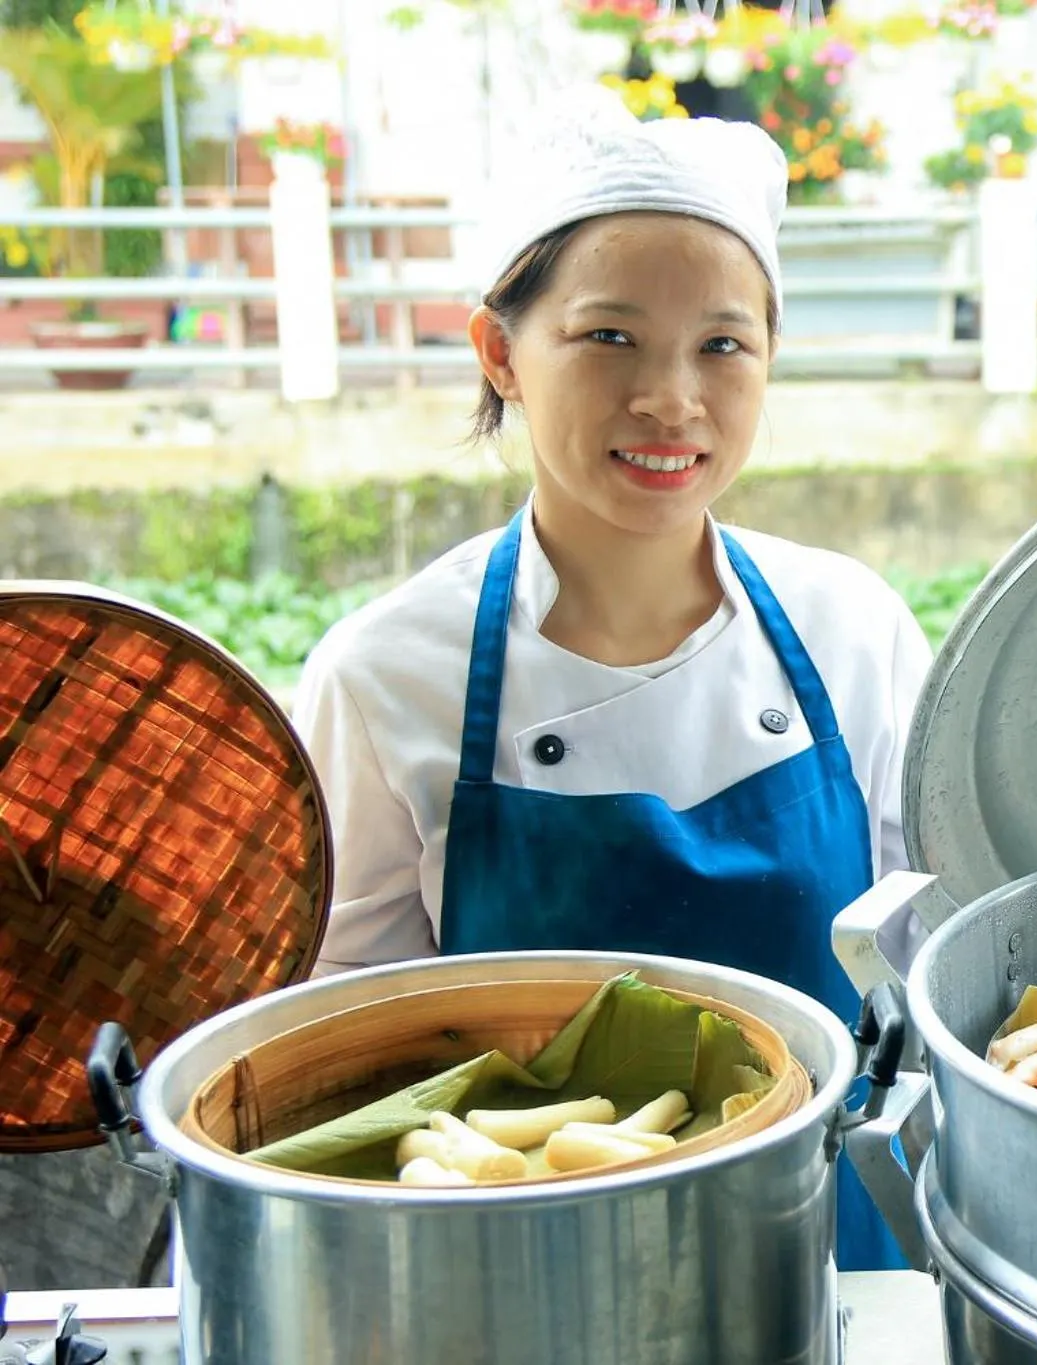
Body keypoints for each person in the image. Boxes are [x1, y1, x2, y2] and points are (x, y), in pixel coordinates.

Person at [292, 91, 932, 1272]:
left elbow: (930, 975)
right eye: (609, 338)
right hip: (513, 1280)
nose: (670, 400)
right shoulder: (389, 676)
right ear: (500, 352)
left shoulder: (855, 633)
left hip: (826, 1262)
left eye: (722, 346)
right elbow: (334, 1056)